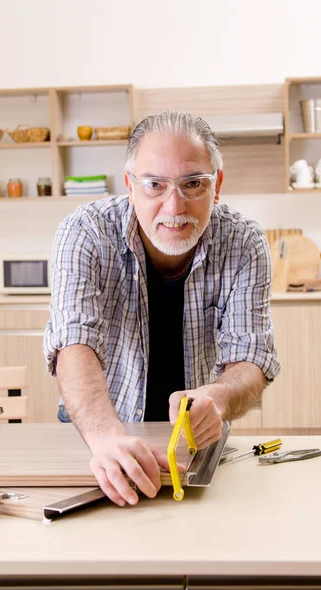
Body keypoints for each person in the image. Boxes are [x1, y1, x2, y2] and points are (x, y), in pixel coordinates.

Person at [44, 110, 280, 507]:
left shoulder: (244, 243)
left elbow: (250, 360)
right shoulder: (84, 231)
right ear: (130, 186)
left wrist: (218, 399)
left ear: (217, 185)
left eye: (193, 184)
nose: (174, 207)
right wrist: (108, 439)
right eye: (154, 185)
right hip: (97, 437)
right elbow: (74, 343)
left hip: (194, 446)